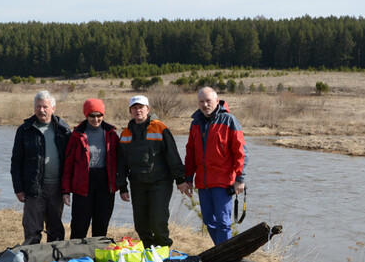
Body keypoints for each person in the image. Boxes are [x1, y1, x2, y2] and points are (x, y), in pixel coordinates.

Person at [117, 95, 187, 248]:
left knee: (157, 222)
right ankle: (149, 252)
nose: (138, 110)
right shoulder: (125, 134)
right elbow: (121, 163)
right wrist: (122, 186)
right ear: (130, 111)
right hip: (137, 184)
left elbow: (172, 154)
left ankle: (164, 251)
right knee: (141, 225)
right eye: (134, 108)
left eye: (141, 107)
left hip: (160, 182)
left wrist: (180, 179)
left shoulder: (160, 128)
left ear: (147, 109)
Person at [181, 87, 247, 245]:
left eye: (208, 101)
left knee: (223, 223)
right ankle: (221, 252)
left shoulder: (229, 120)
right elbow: (190, 153)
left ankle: (226, 258)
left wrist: (240, 178)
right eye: (201, 102)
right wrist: (188, 179)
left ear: (217, 101)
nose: (205, 105)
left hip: (223, 182)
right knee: (209, 220)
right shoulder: (195, 124)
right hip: (203, 183)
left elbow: (241, 151)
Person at [10, 90, 71, 244]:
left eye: (45, 106)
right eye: (38, 106)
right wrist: (18, 188)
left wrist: (68, 188)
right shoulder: (25, 130)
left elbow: (71, 161)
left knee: (56, 230)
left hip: (57, 188)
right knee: (32, 230)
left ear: (53, 108)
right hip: (34, 187)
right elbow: (16, 162)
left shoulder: (64, 129)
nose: (41, 110)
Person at [62, 99, 119, 239]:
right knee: (79, 225)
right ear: (86, 115)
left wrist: (121, 186)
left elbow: (120, 161)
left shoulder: (111, 134)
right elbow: (68, 164)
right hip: (82, 184)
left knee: (101, 225)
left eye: (99, 115)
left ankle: (97, 258)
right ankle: (75, 256)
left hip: (105, 184)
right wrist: (65, 190)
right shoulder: (77, 135)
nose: (96, 119)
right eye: (92, 115)